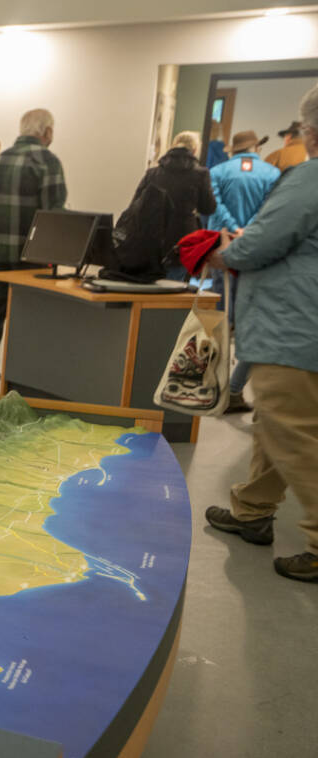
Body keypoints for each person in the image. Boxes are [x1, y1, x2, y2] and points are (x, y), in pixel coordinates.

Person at [203, 83, 318, 583]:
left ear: (310, 130)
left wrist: (226, 252)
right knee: (278, 421)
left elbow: (263, 242)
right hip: (303, 326)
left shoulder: (308, 179)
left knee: (294, 432)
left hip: (293, 323)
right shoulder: (279, 174)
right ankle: (253, 510)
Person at [0, 109, 67, 385]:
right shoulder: (47, 160)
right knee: (29, 314)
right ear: (46, 131)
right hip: (31, 255)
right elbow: (53, 213)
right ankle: (24, 375)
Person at [208, 130, 282, 413]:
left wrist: (232, 227)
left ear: (234, 151)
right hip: (254, 249)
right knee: (249, 311)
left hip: (223, 245)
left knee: (219, 310)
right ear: (255, 149)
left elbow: (214, 207)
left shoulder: (218, 171)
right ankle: (235, 385)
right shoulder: (272, 174)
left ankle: (212, 376)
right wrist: (248, 230)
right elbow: (269, 210)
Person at [124, 130, 217, 281]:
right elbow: (208, 208)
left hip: (151, 238)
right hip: (183, 239)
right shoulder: (201, 174)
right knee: (174, 290)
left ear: (172, 147)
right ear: (194, 150)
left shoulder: (152, 173)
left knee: (147, 286)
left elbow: (135, 205)